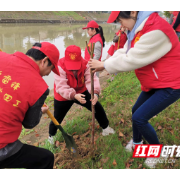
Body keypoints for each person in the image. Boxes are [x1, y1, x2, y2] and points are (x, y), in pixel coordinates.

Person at [88, 11, 180, 168]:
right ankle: (137, 142)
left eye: (120, 19)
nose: (120, 25)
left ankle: (155, 151)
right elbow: (127, 50)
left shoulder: (156, 29)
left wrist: (104, 65)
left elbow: (133, 58)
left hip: (171, 84)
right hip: (156, 81)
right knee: (135, 110)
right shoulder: (139, 28)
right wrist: (106, 62)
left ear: (132, 12)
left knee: (140, 118)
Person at [0, 42, 60, 169]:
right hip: (2, 145)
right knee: (45, 159)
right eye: (52, 68)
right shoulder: (40, 87)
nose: (49, 74)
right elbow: (29, 123)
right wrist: (39, 111)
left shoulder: (2, 56)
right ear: (44, 61)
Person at [48, 45, 115, 144]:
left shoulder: (85, 65)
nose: (74, 69)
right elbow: (61, 86)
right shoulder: (60, 66)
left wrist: (95, 93)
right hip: (64, 95)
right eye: (71, 65)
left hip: (81, 90)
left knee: (96, 106)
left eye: (76, 65)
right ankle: (51, 136)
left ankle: (106, 127)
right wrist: (73, 96)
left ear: (80, 59)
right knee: (57, 117)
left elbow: (91, 80)